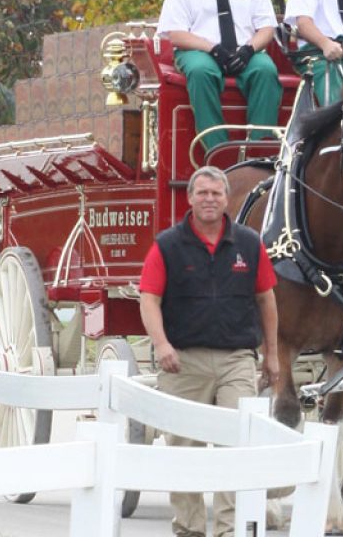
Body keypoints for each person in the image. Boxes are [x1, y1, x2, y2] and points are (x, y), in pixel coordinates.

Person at [138, 165, 279, 537]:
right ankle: (189, 528)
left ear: (226, 198)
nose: (209, 200)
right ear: (190, 198)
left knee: (236, 441)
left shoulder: (249, 243)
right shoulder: (167, 245)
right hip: (183, 361)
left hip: (236, 359)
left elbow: (266, 299)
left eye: (216, 193)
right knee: (184, 446)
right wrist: (161, 344)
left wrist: (273, 355)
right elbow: (149, 298)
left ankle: (229, 530)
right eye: (202, 193)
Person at [158, 0, 282, 150]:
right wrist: (213, 48)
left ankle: (260, 150)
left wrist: (248, 50)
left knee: (266, 70)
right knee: (201, 72)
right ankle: (218, 151)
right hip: (200, 51)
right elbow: (175, 33)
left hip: (244, 50)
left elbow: (267, 27)